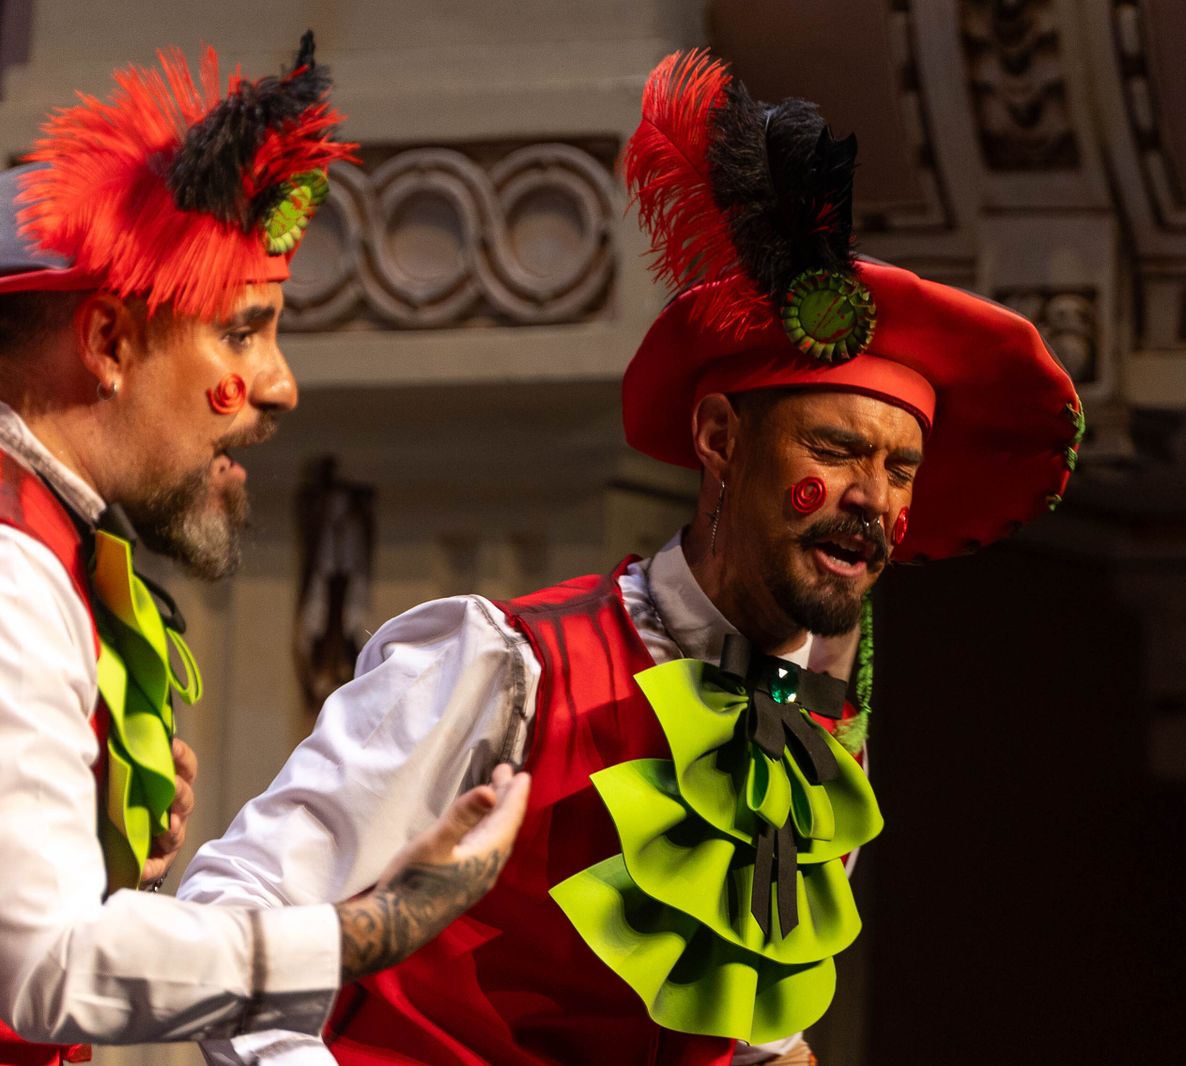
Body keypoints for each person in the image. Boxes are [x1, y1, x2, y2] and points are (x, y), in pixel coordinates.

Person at [180, 49, 1083, 1066]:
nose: (873, 498)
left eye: (901, 470)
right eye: (833, 452)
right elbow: (233, 918)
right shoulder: (498, 666)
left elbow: (744, 1023)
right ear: (717, 439)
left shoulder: (820, 749)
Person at [0, 35, 532, 1066]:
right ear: (109, 342)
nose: (280, 384)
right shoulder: (12, 576)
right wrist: (366, 927)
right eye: (243, 333)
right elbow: (44, 968)